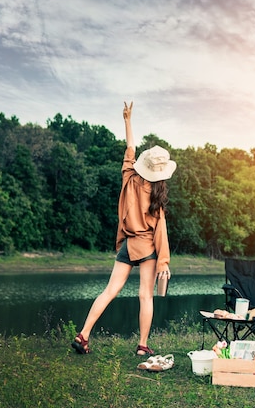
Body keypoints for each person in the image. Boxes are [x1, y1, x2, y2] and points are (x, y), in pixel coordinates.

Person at [72, 101, 176, 356]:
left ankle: (83, 335)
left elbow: (130, 147)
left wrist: (127, 120)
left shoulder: (128, 176)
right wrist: (163, 261)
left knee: (109, 290)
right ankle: (142, 345)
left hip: (128, 244)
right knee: (145, 296)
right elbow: (160, 230)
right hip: (148, 247)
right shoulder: (157, 195)